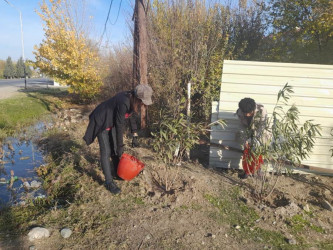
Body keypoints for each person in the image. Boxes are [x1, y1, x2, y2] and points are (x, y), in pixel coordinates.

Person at [83, 84, 153, 193]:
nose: (143, 103)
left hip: (111, 121)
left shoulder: (132, 100)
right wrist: (121, 145)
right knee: (106, 151)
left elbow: (131, 117)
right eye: (143, 100)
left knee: (115, 149)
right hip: (102, 120)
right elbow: (119, 124)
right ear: (138, 98)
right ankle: (109, 182)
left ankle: (118, 173)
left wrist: (134, 134)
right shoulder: (124, 101)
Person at [236, 97, 267, 179]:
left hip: (260, 133)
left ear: (254, 109)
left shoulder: (262, 110)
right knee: (246, 149)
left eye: (249, 113)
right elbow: (242, 127)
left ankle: (259, 171)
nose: (247, 115)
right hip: (247, 130)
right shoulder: (239, 112)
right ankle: (247, 171)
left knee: (259, 149)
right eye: (245, 113)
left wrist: (253, 139)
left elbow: (262, 127)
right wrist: (245, 140)